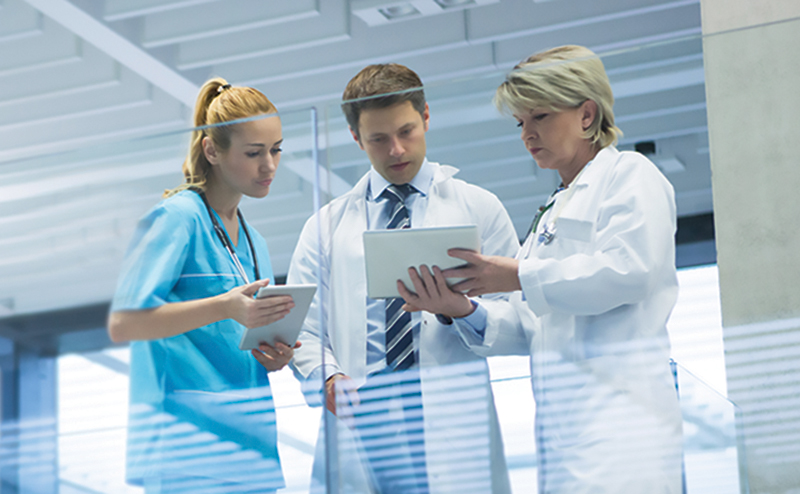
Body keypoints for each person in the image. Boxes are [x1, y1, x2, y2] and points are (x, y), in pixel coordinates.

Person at [400, 45, 684, 493]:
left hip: (625, 435)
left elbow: (632, 272)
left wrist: (518, 275)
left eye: (541, 117)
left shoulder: (630, 175)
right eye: (521, 123)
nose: (526, 134)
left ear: (587, 115)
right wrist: (461, 307)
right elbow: (532, 324)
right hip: (564, 441)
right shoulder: (552, 209)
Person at [288, 64, 520, 493]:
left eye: (407, 131)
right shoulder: (326, 227)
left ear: (427, 117)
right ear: (357, 139)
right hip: (364, 420)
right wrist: (327, 378)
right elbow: (304, 329)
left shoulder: (479, 208)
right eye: (378, 139)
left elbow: (522, 323)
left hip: (450, 420)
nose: (396, 150)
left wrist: (463, 311)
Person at [107, 78, 298, 494]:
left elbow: (237, 338)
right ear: (212, 150)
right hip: (186, 452)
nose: (269, 165)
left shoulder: (255, 242)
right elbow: (124, 324)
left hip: (252, 453)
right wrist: (223, 307)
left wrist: (274, 354)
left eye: (276, 149)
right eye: (254, 153)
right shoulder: (176, 218)